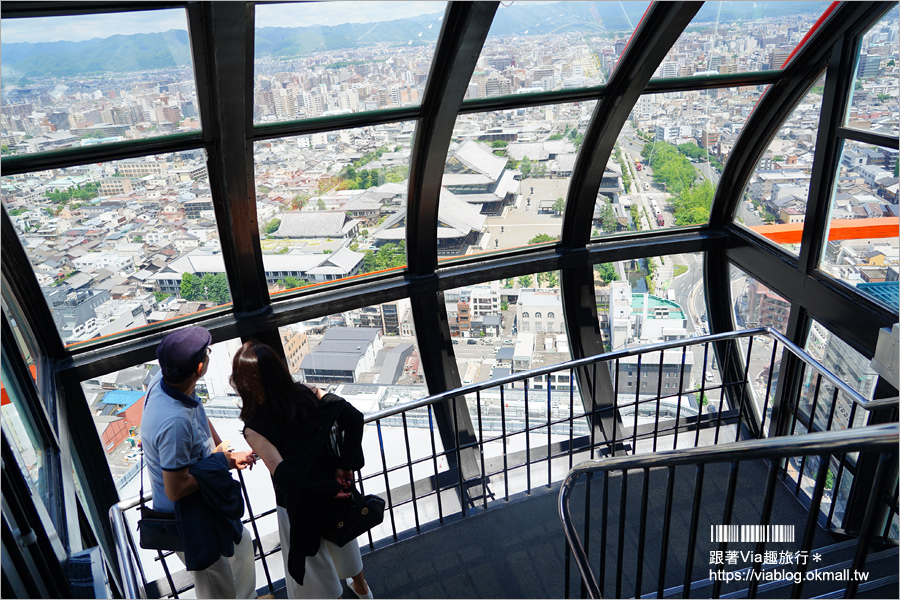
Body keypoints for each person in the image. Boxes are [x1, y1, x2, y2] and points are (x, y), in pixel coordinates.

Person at [230, 340, 373, 599]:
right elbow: (353, 417)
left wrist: (327, 488)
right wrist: (344, 467)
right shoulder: (307, 392)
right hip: (333, 485)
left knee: (315, 571)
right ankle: (362, 589)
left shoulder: (254, 427)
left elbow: (285, 476)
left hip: (300, 504)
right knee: (344, 539)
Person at [141, 326, 258, 598]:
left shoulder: (166, 380)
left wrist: (220, 450)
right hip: (188, 515)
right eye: (208, 353)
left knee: (241, 548)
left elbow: (199, 413)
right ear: (200, 366)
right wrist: (223, 462)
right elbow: (176, 488)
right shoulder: (174, 423)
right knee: (215, 582)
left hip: (203, 501)